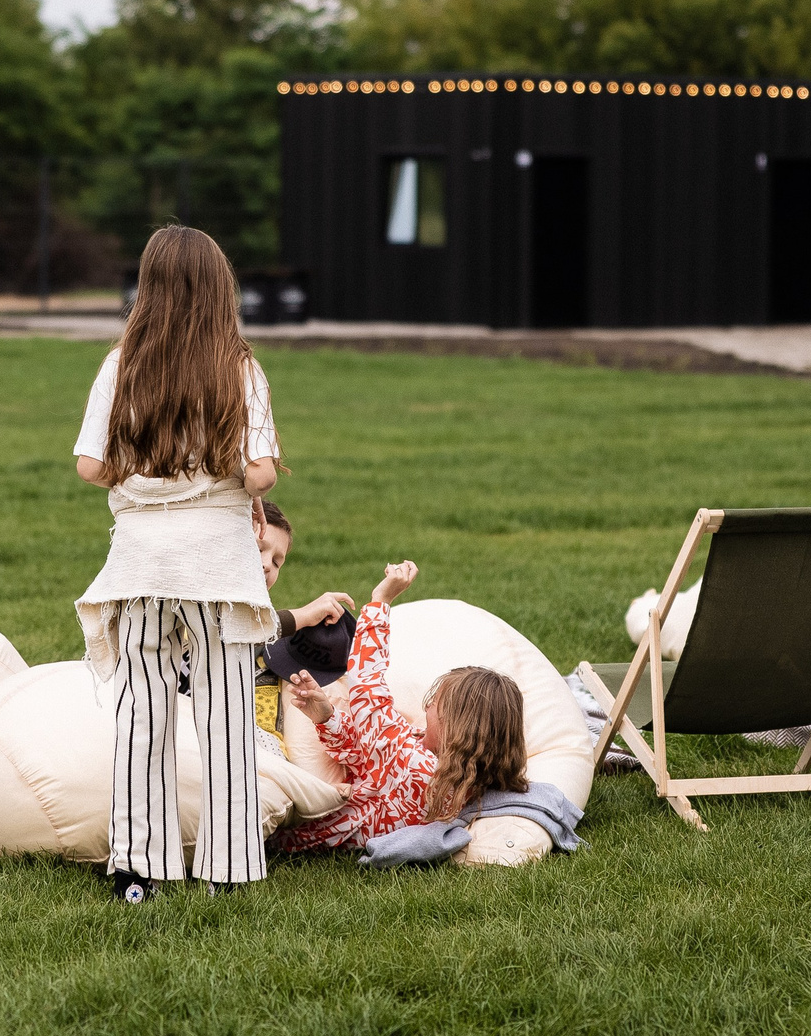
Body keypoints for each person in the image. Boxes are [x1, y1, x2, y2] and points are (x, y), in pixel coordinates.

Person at [74, 224, 282, 903]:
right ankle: (227, 868)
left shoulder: (120, 365)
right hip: (217, 566)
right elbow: (259, 476)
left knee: (142, 713)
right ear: (223, 289)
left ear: (147, 289)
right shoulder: (239, 367)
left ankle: (139, 867)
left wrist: (143, 469)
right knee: (224, 713)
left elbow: (90, 465)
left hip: (139, 565)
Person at [273, 561, 551, 857]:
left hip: (294, 837)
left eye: (436, 702)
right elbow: (369, 756)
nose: (427, 704)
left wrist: (381, 600)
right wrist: (327, 717)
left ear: (457, 727)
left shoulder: (419, 770)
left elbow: (367, 690)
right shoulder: (457, 776)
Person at [252, 500, 357, 744]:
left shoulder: (267, 646)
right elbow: (229, 629)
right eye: (258, 548)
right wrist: (304, 615)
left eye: (278, 562)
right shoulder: (189, 608)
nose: (267, 564)